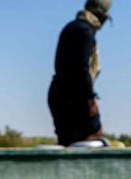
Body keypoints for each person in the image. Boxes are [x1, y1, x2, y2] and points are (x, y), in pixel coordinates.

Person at [48, 0, 112, 146]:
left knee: (69, 144)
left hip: (59, 94)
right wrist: (90, 100)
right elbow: (81, 69)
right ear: (101, 15)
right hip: (74, 97)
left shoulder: (71, 27)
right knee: (93, 137)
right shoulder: (85, 31)